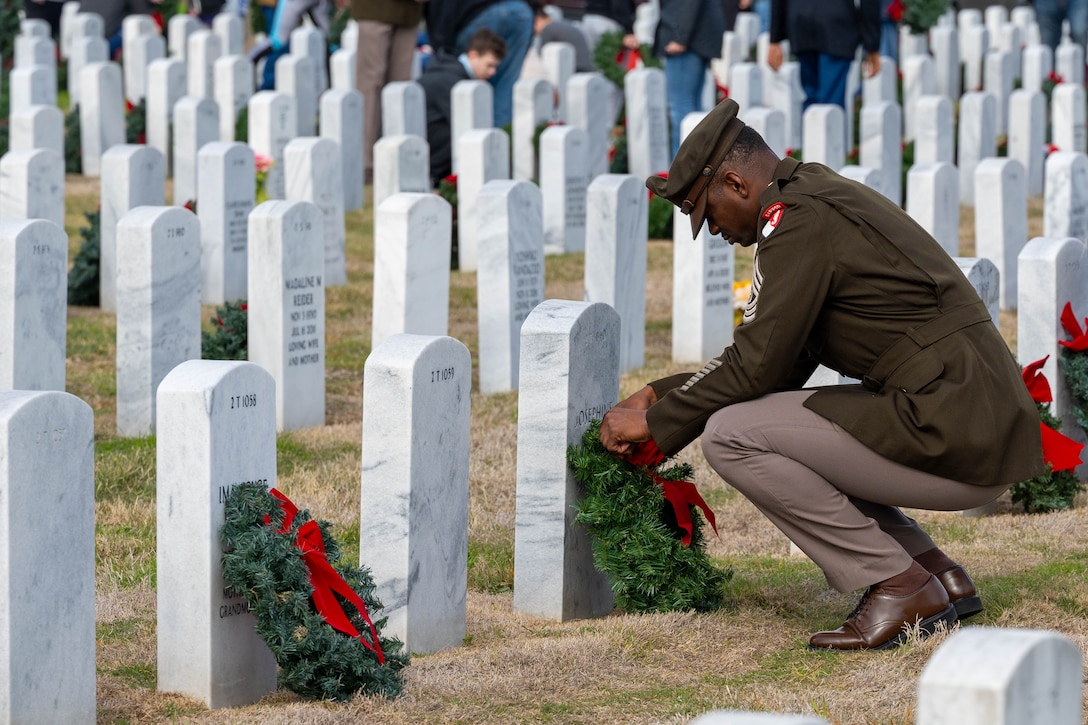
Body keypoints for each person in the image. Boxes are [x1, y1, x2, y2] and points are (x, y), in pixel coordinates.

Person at [599, 99, 1045, 651]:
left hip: (955, 427)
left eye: (704, 212)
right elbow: (775, 367)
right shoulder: (812, 195)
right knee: (781, 429)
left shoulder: (797, 222)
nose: (709, 230)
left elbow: (756, 367)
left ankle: (899, 584)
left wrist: (657, 421)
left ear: (736, 183)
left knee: (731, 437)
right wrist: (660, 394)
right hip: (968, 414)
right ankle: (934, 572)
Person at [424, 0, 533, 128]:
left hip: (466, 14)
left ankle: (481, 142)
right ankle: (499, 141)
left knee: (459, 81)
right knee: (504, 90)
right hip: (519, 9)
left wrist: (441, 50)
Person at [419, 28, 506, 187]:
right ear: (473, 55)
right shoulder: (451, 80)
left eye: (495, 67)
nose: (493, 72)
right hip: (429, 150)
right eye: (489, 65)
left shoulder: (453, 73)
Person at [352, 0, 424, 184]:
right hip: (375, 8)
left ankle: (396, 158)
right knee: (371, 84)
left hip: (409, 13)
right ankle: (365, 163)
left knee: (400, 88)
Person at [768, 0, 881, 109]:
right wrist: (872, 44)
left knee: (811, 100)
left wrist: (775, 37)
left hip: (801, 20)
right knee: (831, 104)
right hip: (837, 24)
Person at [655, 0, 724, 158]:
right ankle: (696, 167)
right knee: (691, 107)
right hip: (697, 36)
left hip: (687, 38)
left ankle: (683, 173)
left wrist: (680, 37)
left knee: (681, 107)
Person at [531, 1, 595, 72]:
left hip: (575, 69)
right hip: (584, 67)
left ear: (537, 20)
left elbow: (540, 57)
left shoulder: (548, 29)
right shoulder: (561, 25)